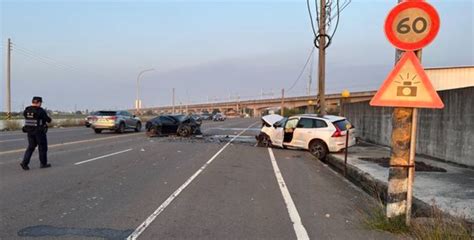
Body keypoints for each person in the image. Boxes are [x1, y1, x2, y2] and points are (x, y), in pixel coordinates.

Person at [20, 96, 52, 170]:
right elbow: (48, 120)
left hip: (29, 132)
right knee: (42, 147)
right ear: (39, 102)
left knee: (30, 147)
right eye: (40, 103)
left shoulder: (27, 110)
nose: (41, 104)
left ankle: (24, 163)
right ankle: (43, 164)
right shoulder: (40, 111)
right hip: (39, 132)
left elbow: (26, 118)